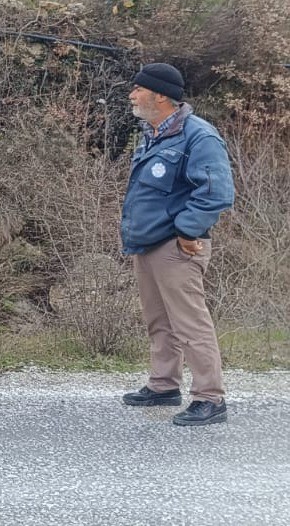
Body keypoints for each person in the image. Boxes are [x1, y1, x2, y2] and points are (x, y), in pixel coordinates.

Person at [120, 63, 235, 426]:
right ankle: (164, 385)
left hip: (177, 248)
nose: (131, 95)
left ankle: (209, 398)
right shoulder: (153, 133)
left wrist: (187, 231)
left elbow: (217, 193)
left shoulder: (199, 137)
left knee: (190, 324)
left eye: (138, 89)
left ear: (161, 96)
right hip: (148, 244)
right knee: (160, 321)